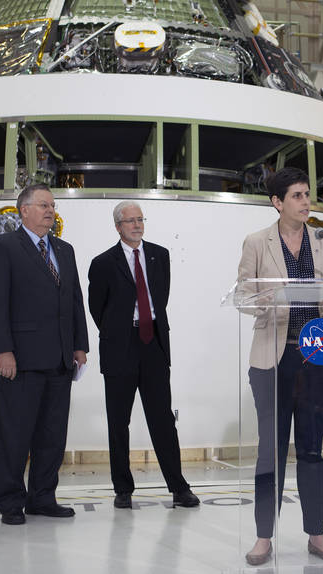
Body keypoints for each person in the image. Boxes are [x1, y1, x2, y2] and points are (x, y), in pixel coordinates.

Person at [237, 167, 323, 566]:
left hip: (316, 354)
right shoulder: (256, 243)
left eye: (306, 195)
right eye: (297, 196)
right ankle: (264, 536)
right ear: (277, 202)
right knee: (272, 451)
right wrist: (274, 297)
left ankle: (316, 533)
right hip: (272, 357)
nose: (305, 202)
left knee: (313, 450)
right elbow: (242, 295)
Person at [0, 183, 89, 525]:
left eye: (53, 206)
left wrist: (80, 345)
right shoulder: (3, 246)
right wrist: (3, 351)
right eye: (43, 205)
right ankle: (10, 501)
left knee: (52, 434)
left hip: (60, 359)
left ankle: (42, 497)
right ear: (23, 210)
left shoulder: (65, 249)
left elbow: (74, 301)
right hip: (21, 360)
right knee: (15, 433)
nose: (50, 211)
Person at [88, 201, 199, 510]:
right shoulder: (103, 263)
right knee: (118, 422)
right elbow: (97, 308)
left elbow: (159, 300)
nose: (137, 225)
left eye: (140, 219)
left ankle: (179, 487)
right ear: (118, 227)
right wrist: (120, 329)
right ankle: (122, 489)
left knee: (163, 419)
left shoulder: (159, 255)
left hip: (154, 346)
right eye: (130, 221)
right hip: (120, 347)